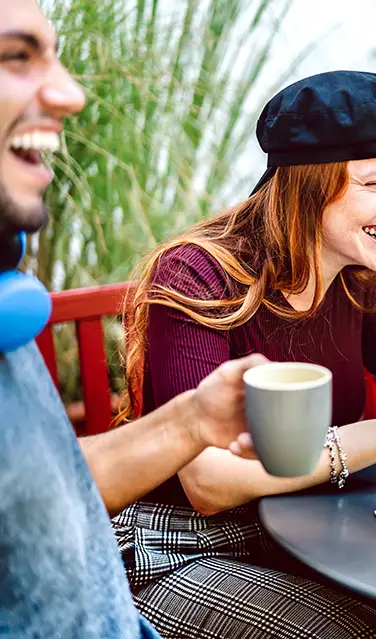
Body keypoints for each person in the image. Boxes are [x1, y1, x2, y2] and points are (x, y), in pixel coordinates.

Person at [110, 71, 376, 638]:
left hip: (307, 527)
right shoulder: (197, 275)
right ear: (307, 183)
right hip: (176, 548)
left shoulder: (354, 274)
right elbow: (207, 482)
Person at [0, 1, 268, 637]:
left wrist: (194, 419)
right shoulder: (195, 273)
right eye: (17, 55)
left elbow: (45, 482)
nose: (71, 93)